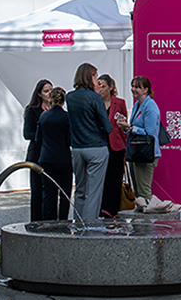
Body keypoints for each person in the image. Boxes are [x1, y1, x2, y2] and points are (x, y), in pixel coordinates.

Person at [65, 63, 112, 222]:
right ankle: (90, 225)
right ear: (89, 76)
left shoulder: (70, 97)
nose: (97, 80)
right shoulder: (96, 98)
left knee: (80, 188)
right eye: (95, 76)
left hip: (77, 147)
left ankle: (78, 222)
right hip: (96, 147)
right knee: (94, 191)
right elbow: (107, 126)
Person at [117, 76, 161, 204]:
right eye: (133, 86)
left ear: (146, 90)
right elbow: (134, 128)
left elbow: (149, 133)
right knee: (137, 192)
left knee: (144, 192)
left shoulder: (150, 106)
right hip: (136, 152)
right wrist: (126, 127)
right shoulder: (137, 104)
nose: (133, 89)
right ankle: (140, 219)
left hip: (146, 153)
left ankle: (147, 220)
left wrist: (130, 127)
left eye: (137, 87)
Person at [35, 87, 71, 221]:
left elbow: (38, 139)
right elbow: (69, 139)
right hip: (63, 159)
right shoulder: (66, 117)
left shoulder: (43, 116)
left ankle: (48, 221)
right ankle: (63, 220)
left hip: (46, 158)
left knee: (48, 194)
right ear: (63, 101)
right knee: (64, 194)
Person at [96, 74, 128, 217]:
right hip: (100, 144)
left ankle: (112, 210)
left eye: (103, 86)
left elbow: (123, 125)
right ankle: (101, 208)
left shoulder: (119, 103)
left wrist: (126, 147)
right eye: (98, 86)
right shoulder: (95, 102)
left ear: (111, 87)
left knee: (115, 178)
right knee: (101, 178)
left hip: (116, 146)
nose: (100, 89)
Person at [23, 79, 52, 221]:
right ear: (39, 94)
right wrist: (43, 134)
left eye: (51, 90)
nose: (49, 94)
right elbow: (27, 134)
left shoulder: (55, 109)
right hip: (37, 155)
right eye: (46, 91)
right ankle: (35, 221)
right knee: (37, 190)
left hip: (52, 155)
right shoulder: (32, 110)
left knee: (50, 191)